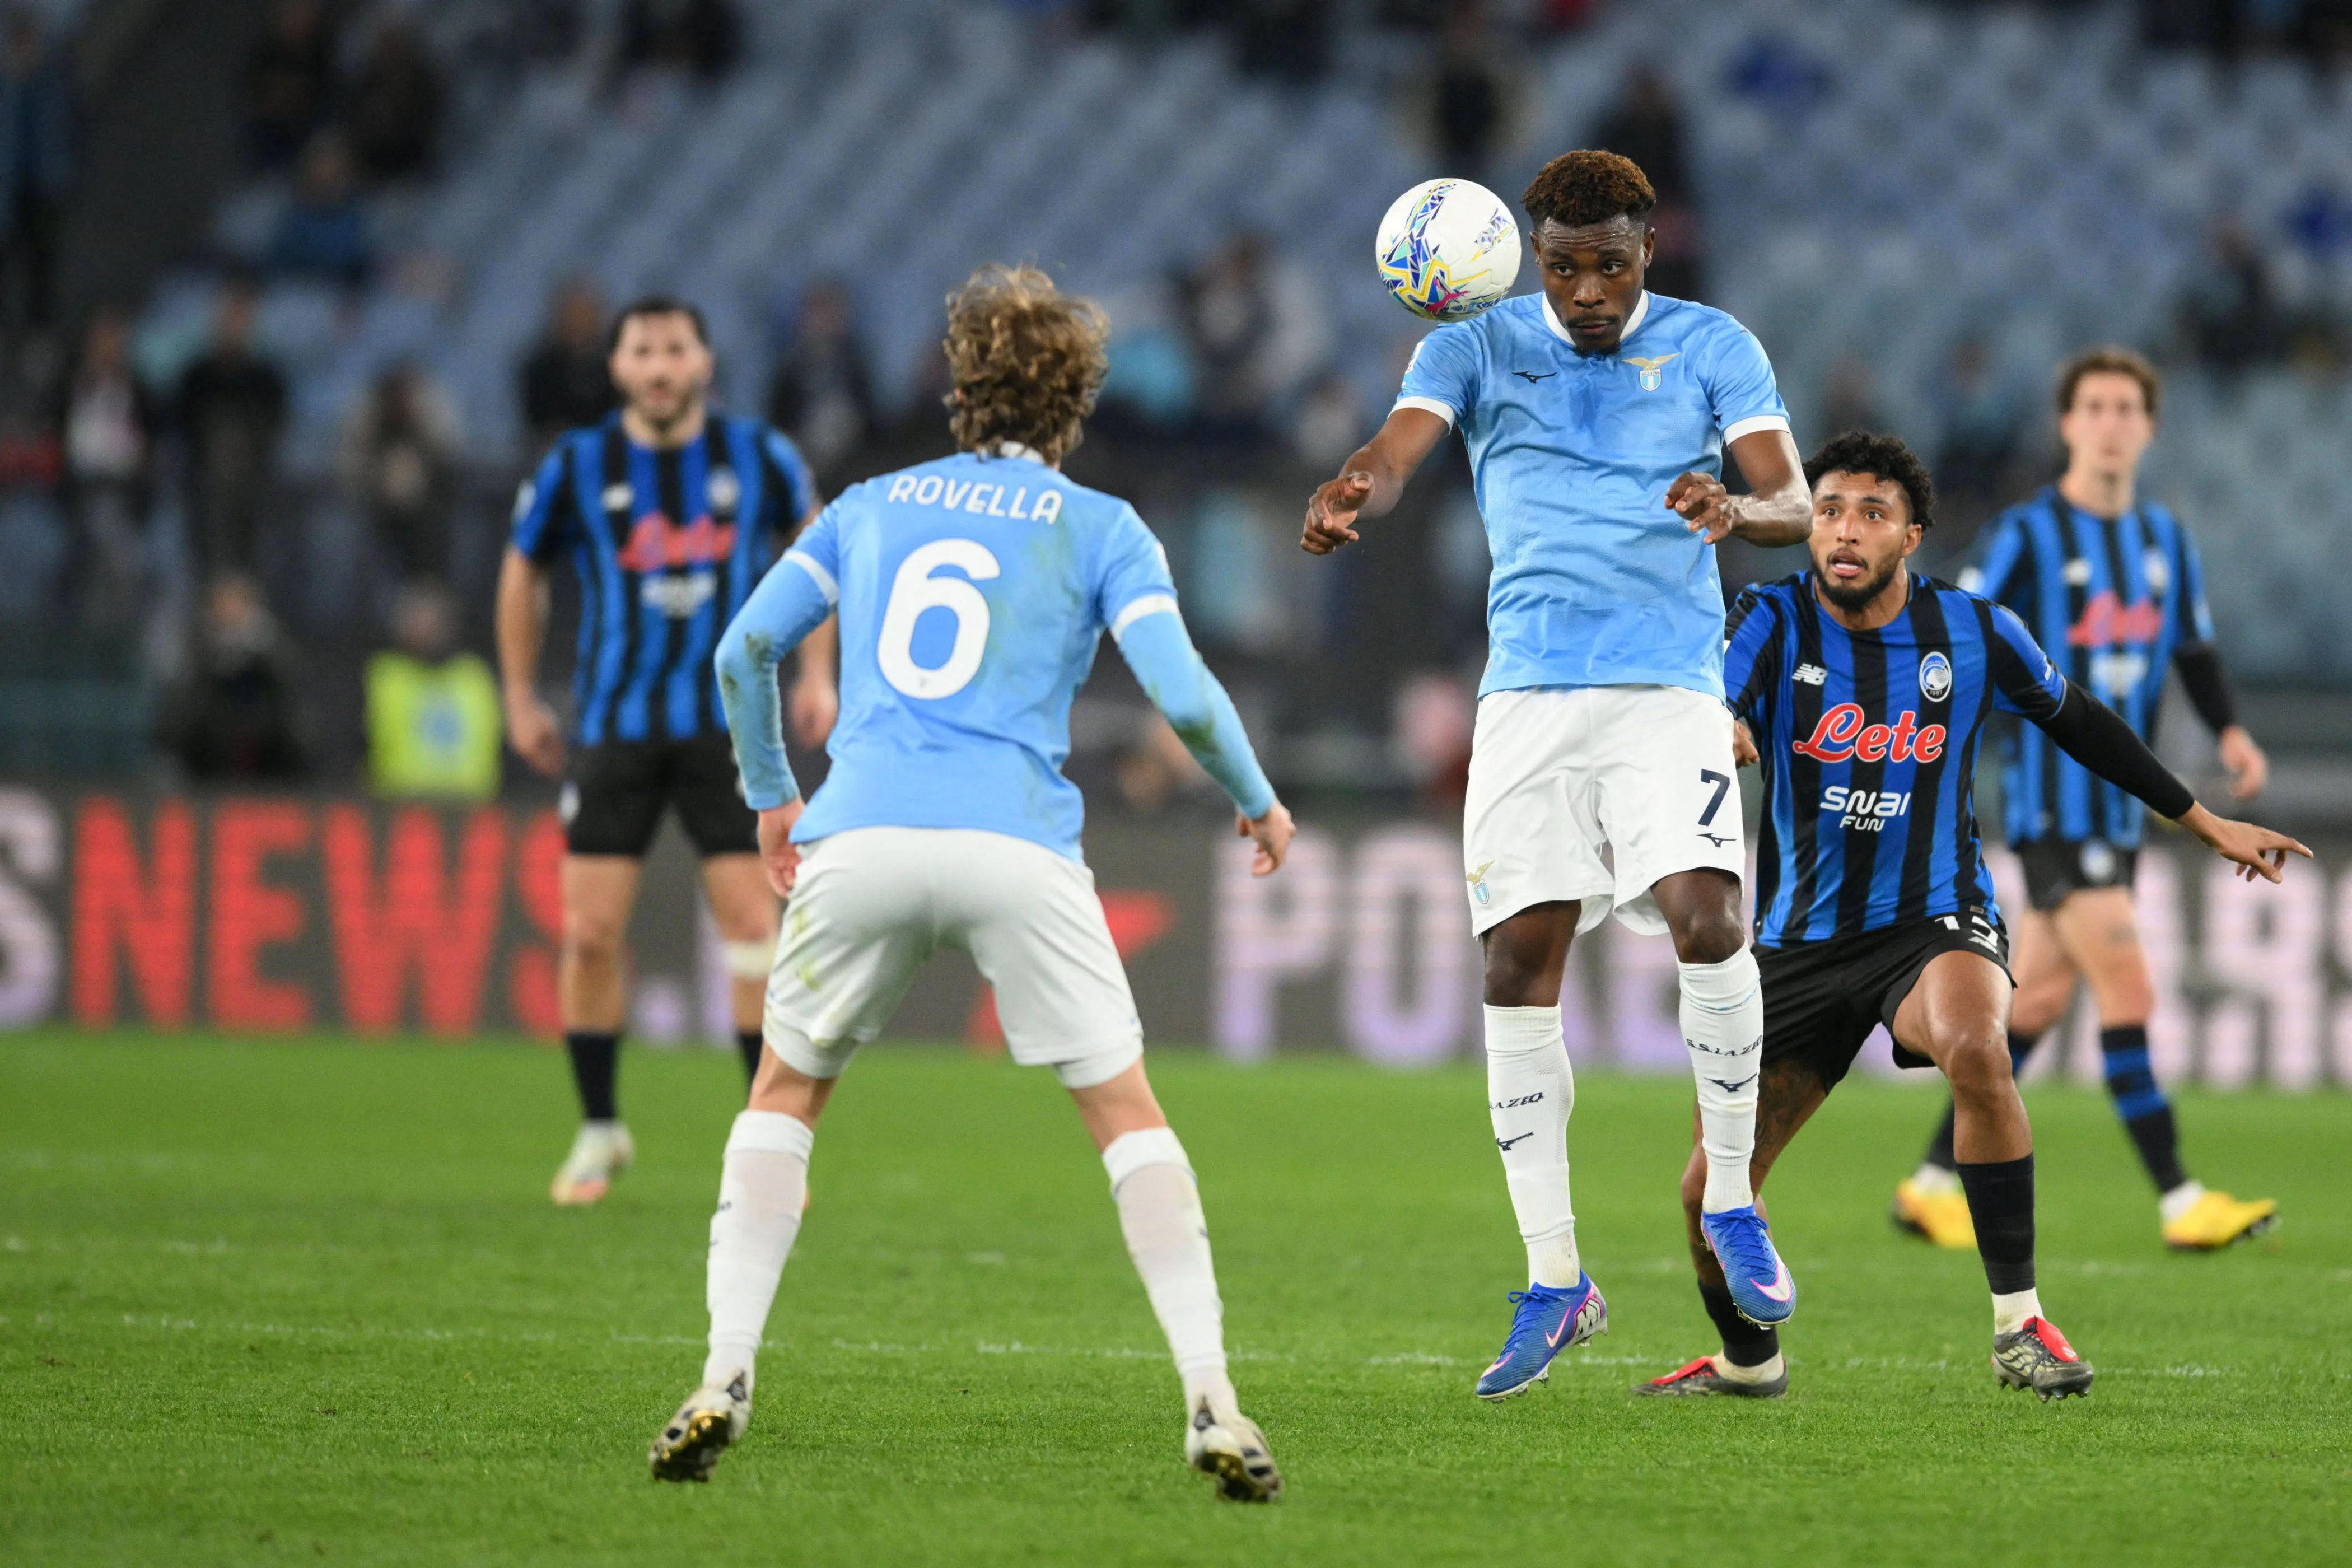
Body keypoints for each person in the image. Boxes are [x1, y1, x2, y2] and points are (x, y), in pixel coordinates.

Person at [647, 263, 1292, 1501]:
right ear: (1076, 403)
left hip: (861, 836)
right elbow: (1184, 695)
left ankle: (724, 1372)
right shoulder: (1104, 527)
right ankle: (1212, 1394)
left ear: (959, 389)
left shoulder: (867, 507)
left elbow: (744, 650)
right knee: (1128, 1114)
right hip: (1017, 845)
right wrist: (1257, 799)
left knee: (784, 1094)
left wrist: (773, 793)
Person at [1638, 431, 2305, 1402]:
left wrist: (2203, 821)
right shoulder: (1770, 618)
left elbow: (2082, 723)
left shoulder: (1976, 631)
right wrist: (1723, 723)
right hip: (1795, 944)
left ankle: (2018, 1324)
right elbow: (1713, 696)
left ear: (1912, 535)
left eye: (1873, 514)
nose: (1845, 532)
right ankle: (1750, 1360)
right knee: (1709, 1193)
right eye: (1829, 511)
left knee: (1978, 1048)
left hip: (1931, 919)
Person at [1300, 149, 1813, 1399]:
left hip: (1668, 686)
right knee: (1514, 967)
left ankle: (1732, 1199)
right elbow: (1400, 448)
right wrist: (1356, 483)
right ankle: (1556, 1279)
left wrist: (1734, 514)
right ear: (1535, 256)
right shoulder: (1474, 345)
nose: (1587, 290)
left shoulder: (1713, 346)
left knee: (1709, 918)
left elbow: (1793, 501)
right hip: (1527, 694)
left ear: (1649, 252)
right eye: (1566, 266)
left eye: (1611, 266)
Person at [1892, 347, 2279, 1253]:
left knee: (2031, 1007)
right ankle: (2181, 1200)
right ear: (2067, 424)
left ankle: (1930, 1184)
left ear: (2149, 427)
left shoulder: (2165, 539)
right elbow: (1960, 627)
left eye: (2126, 408)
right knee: (2129, 987)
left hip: (2120, 808)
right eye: (2094, 407)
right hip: (2053, 804)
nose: (2110, 423)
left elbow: (2193, 649)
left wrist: (2229, 731)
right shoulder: (2029, 534)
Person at [498, 296, 835, 1206]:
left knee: (752, 931)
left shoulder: (759, 455)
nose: (658, 366)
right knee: (588, 933)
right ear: (617, 367)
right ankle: (599, 1128)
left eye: (674, 349)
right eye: (642, 350)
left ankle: (766, 1146)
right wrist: (519, 694)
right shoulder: (578, 464)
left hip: (731, 730)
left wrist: (818, 675)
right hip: (614, 726)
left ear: (704, 362)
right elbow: (523, 566)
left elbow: (817, 553)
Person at [176, 279, 288, 581]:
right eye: (228, 317)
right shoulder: (197, 377)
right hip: (204, 483)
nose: (233, 326)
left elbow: (275, 427)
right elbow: (184, 427)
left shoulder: (266, 379)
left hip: (255, 483)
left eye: (240, 318)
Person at [62, 306, 159, 628]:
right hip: (76, 489)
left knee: (122, 562)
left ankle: (117, 632)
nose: (107, 347)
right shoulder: (70, 383)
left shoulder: (137, 387)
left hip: (123, 489)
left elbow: (151, 438)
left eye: (114, 339)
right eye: (101, 339)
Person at [160, 572, 308, 780]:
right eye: (223, 604)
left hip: (267, 753)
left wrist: (259, 650)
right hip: (210, 756)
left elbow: (291, 708)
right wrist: (214, 659)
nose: (230, 611)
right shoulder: (198, 649)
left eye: (236, 603)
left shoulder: (272, 649)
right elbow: (182, 715)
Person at [366, 580, 501, 801]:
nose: (428, 629)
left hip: (473, 808)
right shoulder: (386, 675)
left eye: (435, 619)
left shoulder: (475, 677)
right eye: (419, 619)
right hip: (397, 808)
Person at [337, 361, 459, 584]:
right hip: (375, 511)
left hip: (428, 512)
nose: (400, 405)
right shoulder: (369, 424)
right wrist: (380, 484)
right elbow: (351, 466)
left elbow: (448, 455)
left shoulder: (430, 421)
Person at [518, 277, 619, 455]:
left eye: (584, 315)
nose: (579, 323)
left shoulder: (615, 368)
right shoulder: (540, 370)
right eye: (573, 315)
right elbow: (539, 424)